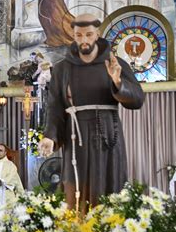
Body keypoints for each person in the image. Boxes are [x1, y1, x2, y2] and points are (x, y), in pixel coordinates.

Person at [38, 13, 145, 213]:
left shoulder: (115, 63)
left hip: (108, 134)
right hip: (75, 136)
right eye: (79, 35)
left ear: (97, 34)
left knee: (109, 188)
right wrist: (50, 137)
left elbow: (137, 99)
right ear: (74, 36)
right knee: (77, 191)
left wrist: (119, 83)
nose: (84, 40)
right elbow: (55, 108)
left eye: (88, 34)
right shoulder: (62, 69)